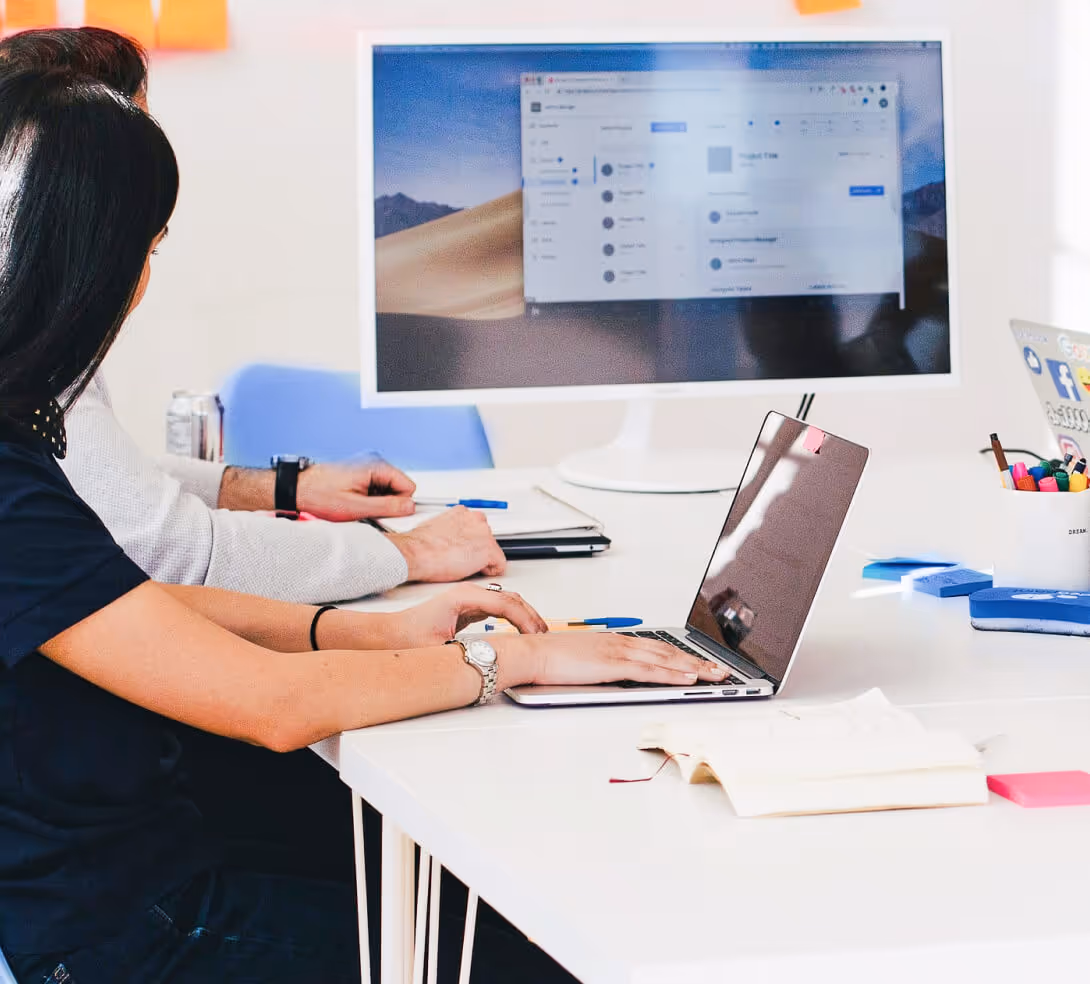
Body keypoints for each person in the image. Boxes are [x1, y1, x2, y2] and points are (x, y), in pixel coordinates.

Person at [0, 67, 728, 983]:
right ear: (97, 263)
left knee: (479, 888)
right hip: (130, 935)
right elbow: (271, 708)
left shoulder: (22, 425)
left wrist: (368, 631)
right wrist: (512, 661)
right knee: (549, 953)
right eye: (149, 247)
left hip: (151, 858)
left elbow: (137, 607)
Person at [0, 28, 507, 606]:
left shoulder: (33, 335)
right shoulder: (28, 357)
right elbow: (175, 552)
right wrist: (410, 555)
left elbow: (103, 483)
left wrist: (285, 488)